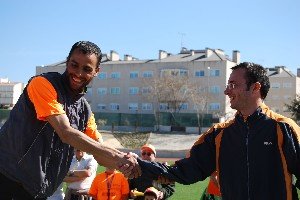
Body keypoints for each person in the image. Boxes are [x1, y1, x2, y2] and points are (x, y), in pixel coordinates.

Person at [136, 62, 300, 200]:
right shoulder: (218, 134)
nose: (226, 91)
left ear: (256, 87)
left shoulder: (283, 127)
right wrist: (138, 164)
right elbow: (185, 171)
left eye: (233, 85)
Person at [0, 41, 140, 199]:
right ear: (67, 61)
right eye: (74, 65)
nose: (78, 73)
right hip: (7, 178)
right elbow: (65, 132)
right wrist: (117, 156)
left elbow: (100, 153)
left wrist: (129, 162)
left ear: (96, 71)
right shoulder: (43, 84)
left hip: (35, 190)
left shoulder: (85, 111)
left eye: (87, 69)